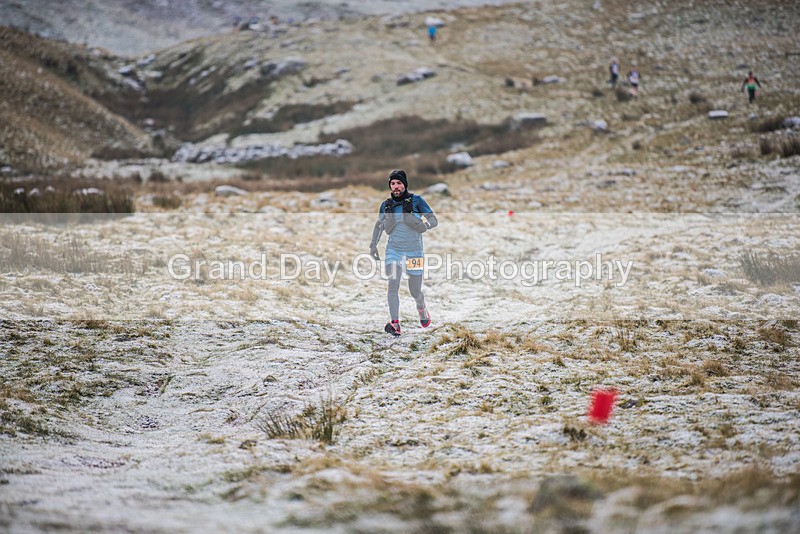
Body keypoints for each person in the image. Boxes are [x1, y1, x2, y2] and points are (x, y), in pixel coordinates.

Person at [369, 170, 438, 336]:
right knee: (392, 286)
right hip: (394, 251)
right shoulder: (386, 205)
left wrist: (425, 225)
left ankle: (421, 308)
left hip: (414, 252)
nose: (396, 187)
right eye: (392, 183)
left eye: (398, 183)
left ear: (404, 184)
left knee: (415, 291)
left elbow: (433, 220)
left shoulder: (417, 201)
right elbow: (379, 226)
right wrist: (373, 246)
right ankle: (395, 324)